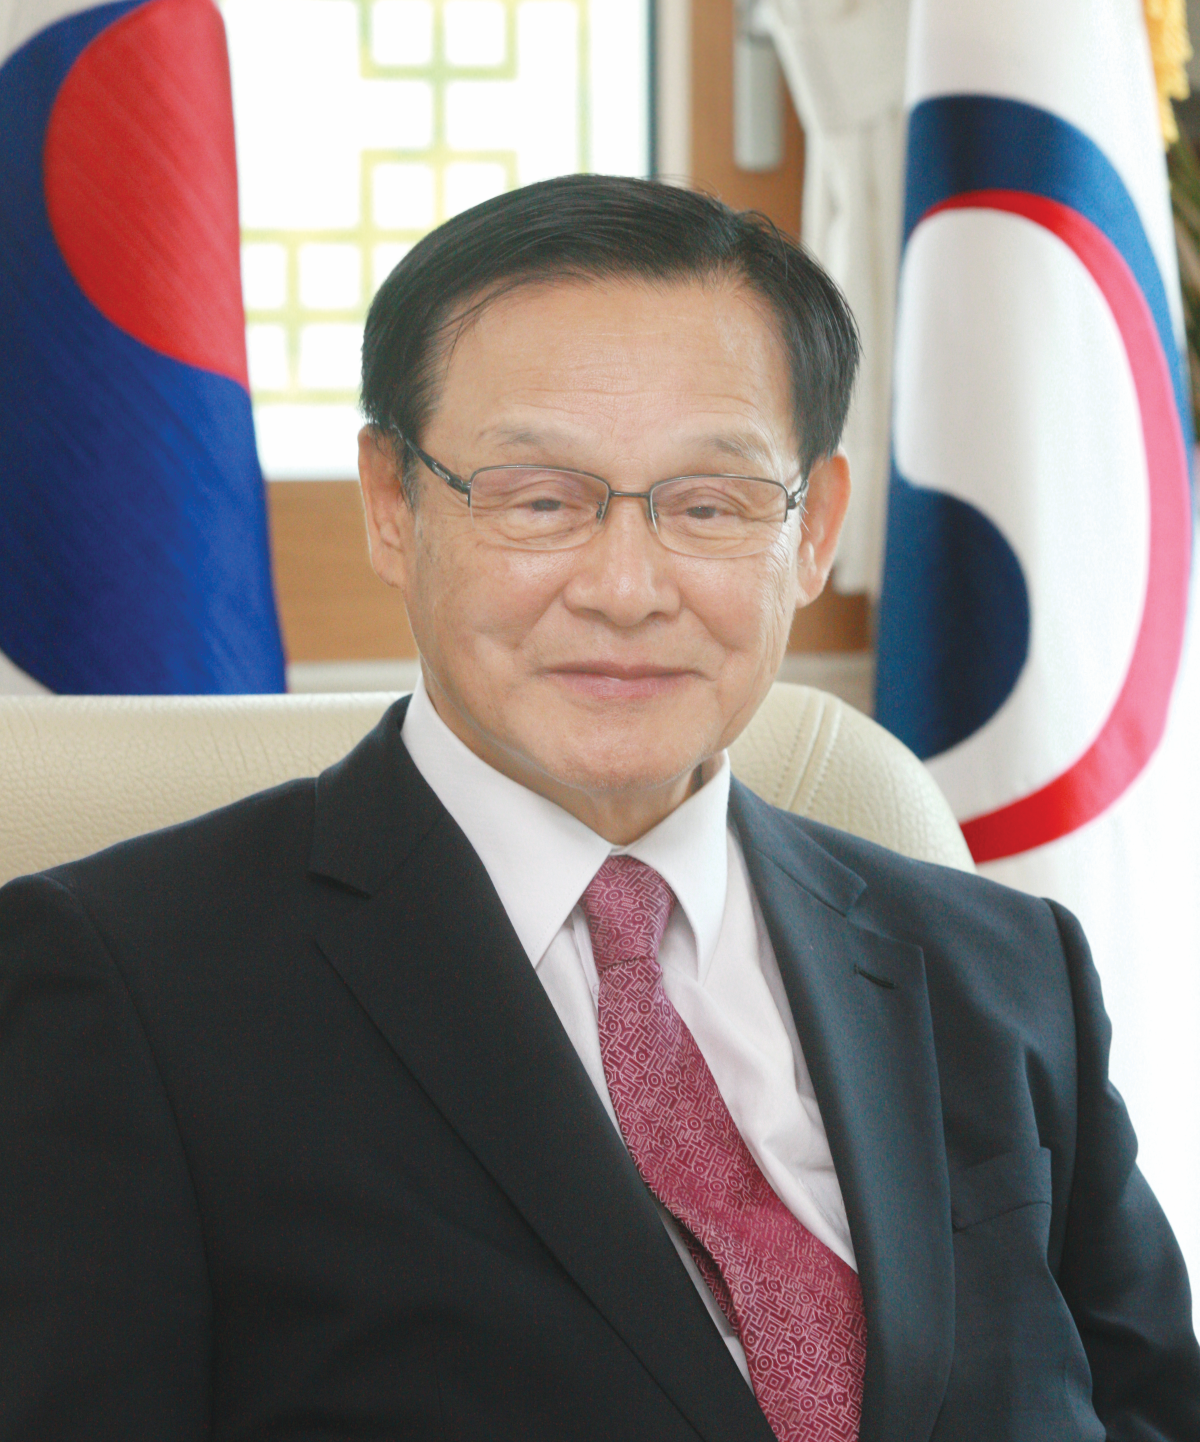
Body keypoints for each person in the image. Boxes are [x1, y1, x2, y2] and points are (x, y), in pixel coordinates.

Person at [1, 174, 1197, 1442]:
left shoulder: (1006, 968)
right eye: (539, 499)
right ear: (392, 504)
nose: (626, 589)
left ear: (814, 531)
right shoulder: (126, 983)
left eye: (709, 505)